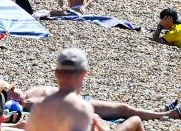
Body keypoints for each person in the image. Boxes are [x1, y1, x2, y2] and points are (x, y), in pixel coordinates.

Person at [24, 48, 158, 131]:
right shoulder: (80, 107)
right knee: (135, 120)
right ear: (84, 74)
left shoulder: (40, 107)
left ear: (56, 73)